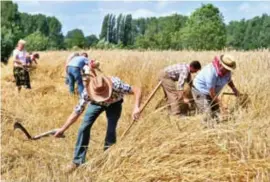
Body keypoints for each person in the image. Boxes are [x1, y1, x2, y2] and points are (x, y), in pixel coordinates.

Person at [54, 71, 142, 172]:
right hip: (95, 104)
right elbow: (77, 111)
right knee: (84, 127)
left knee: (111, 130)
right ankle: (77, 161)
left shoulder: (116, 84)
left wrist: (136, 107)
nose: (104, 97)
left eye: (104, 94)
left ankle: (108, 158)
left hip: (115, 104)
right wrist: (63, 129)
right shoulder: (87, 92)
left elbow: (137, 89)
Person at [192, 55, 239, 124]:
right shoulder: (210, 72)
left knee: (216, 111)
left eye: (229, 69)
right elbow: (212, 92)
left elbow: (228, 79)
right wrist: (222, 105)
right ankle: (207, 130)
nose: (228, 71)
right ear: (220, 65)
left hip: (212, 93)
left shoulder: (227, 71)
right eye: (226, 68)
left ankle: (216, 125)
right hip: (200, 91)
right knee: (207, 113)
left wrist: (234, 89)